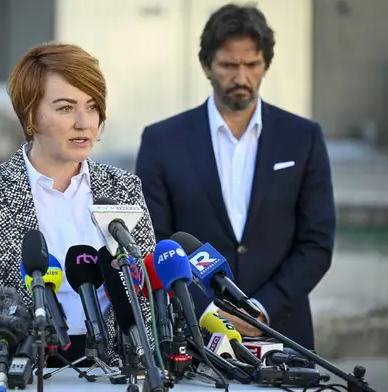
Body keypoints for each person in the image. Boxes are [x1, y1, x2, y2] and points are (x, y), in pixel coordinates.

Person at [135, 3, 336, 350]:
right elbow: (155, 244)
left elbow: (316, 242)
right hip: (192, 338)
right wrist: (209, 313)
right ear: (206, 65)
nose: (241, 78)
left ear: (265, 64)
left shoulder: (303, 138)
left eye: (252, 64)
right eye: (229, 65)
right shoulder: (161, 142)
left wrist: (261, 309)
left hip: (283, 333)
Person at [0, 42, 156, 366]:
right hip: (27, 369)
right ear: (31, 114)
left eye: (92, 106)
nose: (83, 122)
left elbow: (146, 294)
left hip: (118, 369)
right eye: (65, 108)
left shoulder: (124, 187)